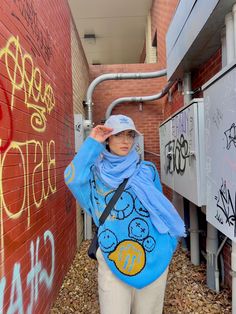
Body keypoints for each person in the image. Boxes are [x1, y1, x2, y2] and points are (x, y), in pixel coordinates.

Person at [64, 114, 185, 314]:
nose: (125, 141)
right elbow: (72, 178)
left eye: (130, 135)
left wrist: (169, 244)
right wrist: (93, 141)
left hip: (153, 256)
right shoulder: (95, 175)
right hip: (113, 259)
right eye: (119, 135)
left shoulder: (147, 170)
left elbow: (159, 211)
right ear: (108, 139)